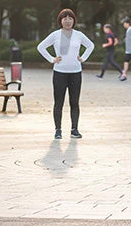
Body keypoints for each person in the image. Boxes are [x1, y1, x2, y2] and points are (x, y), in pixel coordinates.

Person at [37, 9, 95, 139]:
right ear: (60, 21)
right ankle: (58, 130)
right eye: (65, 18)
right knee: (59, 102)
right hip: (60, 73)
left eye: (70, 18)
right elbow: (41, 47)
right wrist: (52, 59)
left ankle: (74, 129)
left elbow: (90, 45)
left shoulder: (79, 35)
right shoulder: (55, 35)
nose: (68, 21)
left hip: (75, 73)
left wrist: (83, 58)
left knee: (74, 102)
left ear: (74, 20)